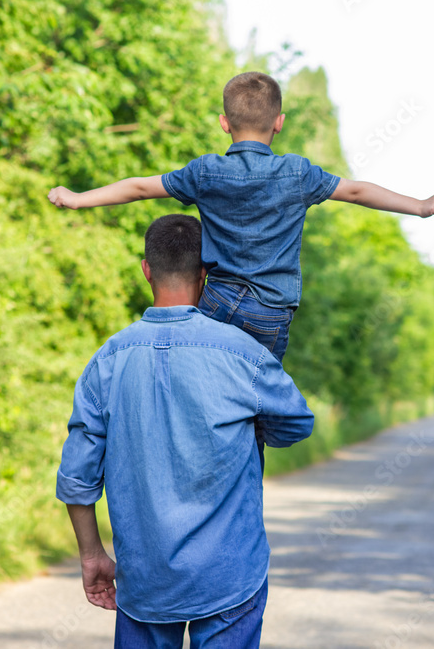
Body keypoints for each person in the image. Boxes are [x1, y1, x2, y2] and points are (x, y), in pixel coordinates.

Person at [47, 71, 434, 365]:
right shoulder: (298, 173)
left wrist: (79, 198)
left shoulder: (205, 172)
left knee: (205, 384)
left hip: (217, 301)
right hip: (269, 313)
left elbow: (138, 188)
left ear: (225, 123)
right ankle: (263, 431)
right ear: (279, 122)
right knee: (256, 403)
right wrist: (418, 205)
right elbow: (358, 191)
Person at [55, 214, 313, 648]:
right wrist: (249, 426)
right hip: (230, 575)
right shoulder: (241, 353)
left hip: (145, 580)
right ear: (206, 274)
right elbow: (296, 423)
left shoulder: (108, 359)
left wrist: (92, 554)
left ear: (146, 270)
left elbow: (78, 476)